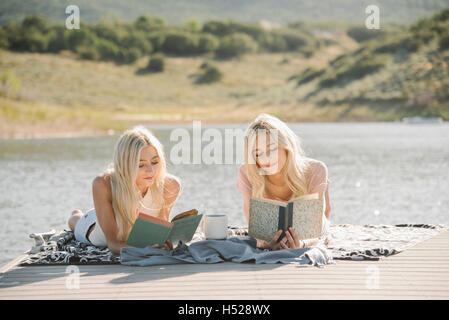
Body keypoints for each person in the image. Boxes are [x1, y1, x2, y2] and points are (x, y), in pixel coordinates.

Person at [68, 126, 181, 254]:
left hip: (110, 215)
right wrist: (143, 250)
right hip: (97, 230)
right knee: (76, 221)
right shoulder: (103, 183)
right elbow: (114, 244)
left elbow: (160, 231)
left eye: (155, 162)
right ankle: (76, 215)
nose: (151, 170)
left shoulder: (170, 185)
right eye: (141, 165)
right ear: (125, 164)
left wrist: (167, 243)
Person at [236, 114, 331, 251]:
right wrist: (265, 244)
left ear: (286, 146)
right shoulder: (247, 172)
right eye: (258, 154)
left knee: (323, 217)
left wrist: (301, 244)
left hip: (311, 231)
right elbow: (253, 228)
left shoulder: (315, 169)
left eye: (272, 149)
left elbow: (315, 232)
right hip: (272, 235)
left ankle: (326, 201)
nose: (266, 159)